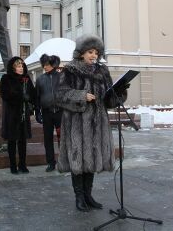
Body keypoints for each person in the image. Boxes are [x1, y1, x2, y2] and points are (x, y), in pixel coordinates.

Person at [56, 34, 127, 212]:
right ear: (81, 53)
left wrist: (120, 92)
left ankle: (88, 195)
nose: (93, 55)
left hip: (98, 125)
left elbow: (109, 101)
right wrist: (81, 96)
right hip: (77, 124)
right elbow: (59, 95)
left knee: (92, 160)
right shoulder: (70, 70)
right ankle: (79, 197)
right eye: (90, 51)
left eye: (96, 52)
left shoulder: (103, 72)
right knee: (78, 161)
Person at [0, 56, 35, 174]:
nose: (21, 68)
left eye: (21, 66)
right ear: (13, 68)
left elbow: (32, 93)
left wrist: (30, 98)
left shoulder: (26, 79)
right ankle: (13, 166)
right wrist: (20, 96)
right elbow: (5, 95)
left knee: (22, 141)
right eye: (18, 66)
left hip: (24, 115)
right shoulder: (6, 78)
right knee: (12, 141)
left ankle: (22, 165)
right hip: (11, 115)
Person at [35, 54, 62, 172]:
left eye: (47, 65)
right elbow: (37, 97)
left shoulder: (61, 77)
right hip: (47, 113)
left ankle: (64, 161)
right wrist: (37, 112)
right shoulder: (40, 79)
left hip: (60, 112)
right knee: (48, 139)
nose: (44, 67)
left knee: (63, 138)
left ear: (52, 65)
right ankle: (51, 163)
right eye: (43, 65)